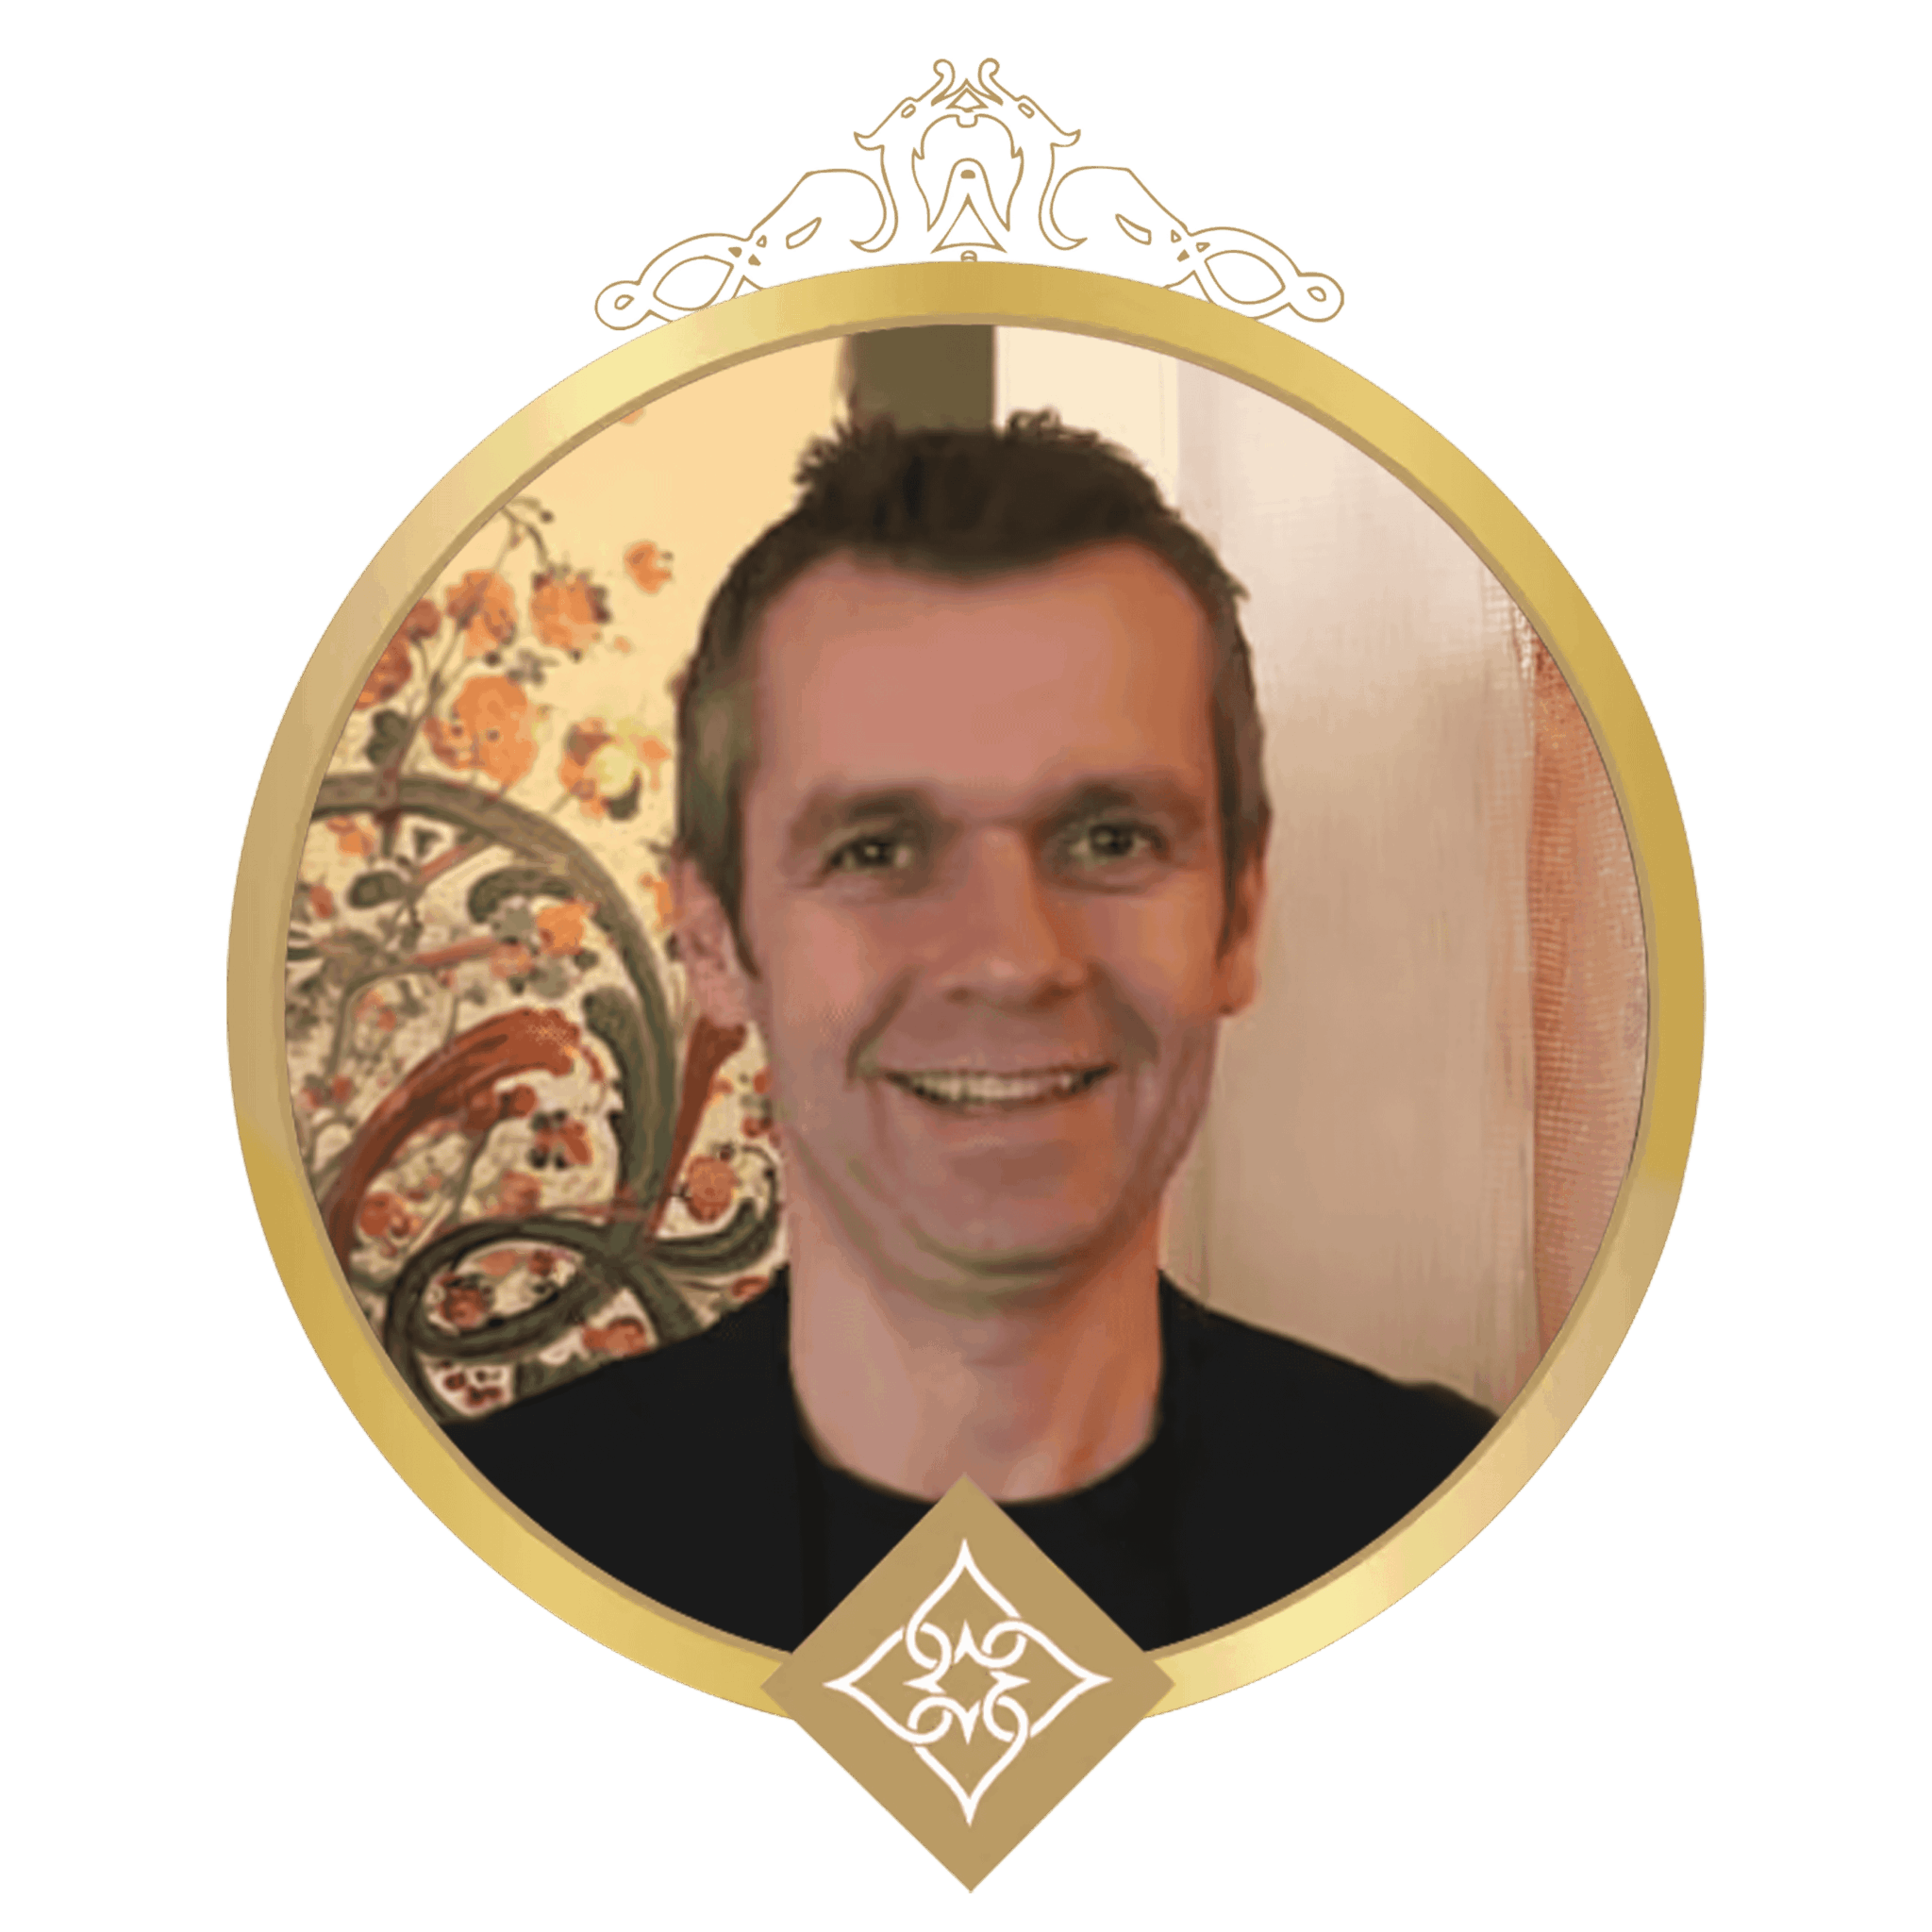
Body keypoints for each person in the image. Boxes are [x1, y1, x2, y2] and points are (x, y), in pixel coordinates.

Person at [456, 413, 1491, 1650]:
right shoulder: (475, 1563)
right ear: (718, 941)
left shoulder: (1468, 1537)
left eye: (1110, 840)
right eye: (877, 850)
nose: (1010, 959)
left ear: (1239, 917)